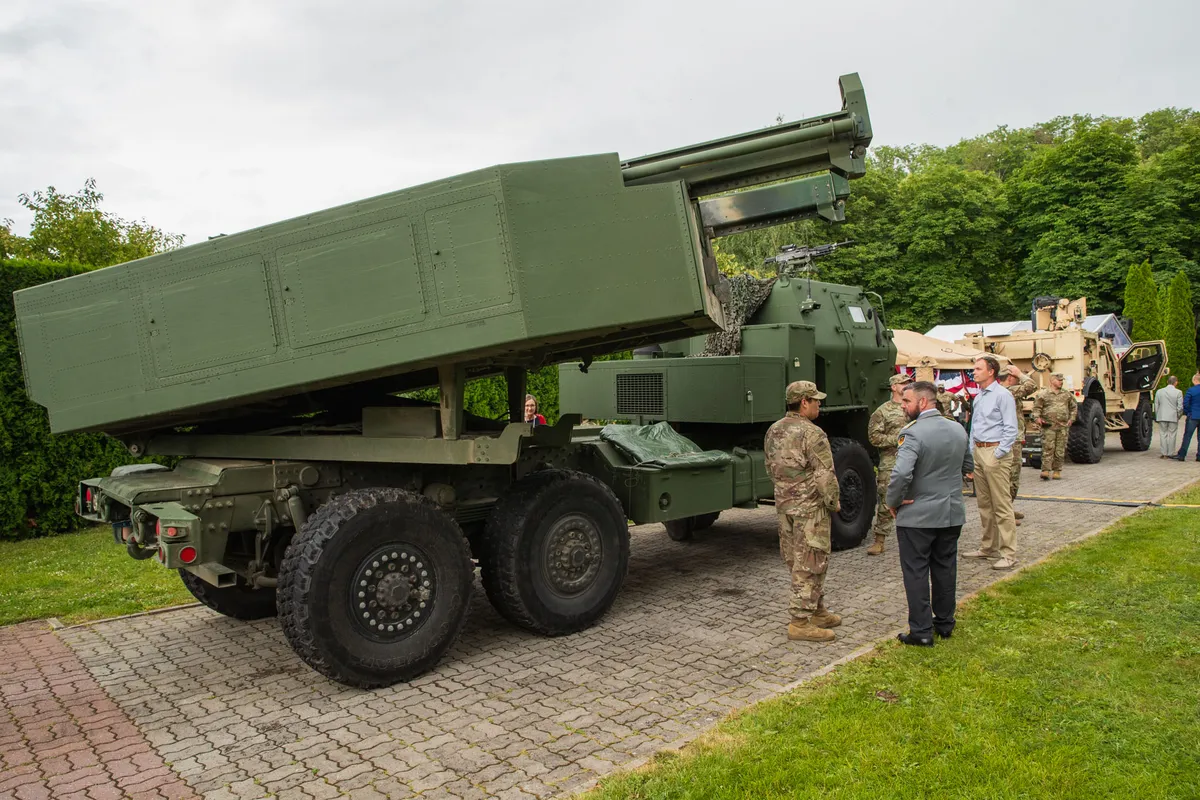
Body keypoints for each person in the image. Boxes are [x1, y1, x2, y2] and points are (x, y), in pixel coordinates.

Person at [887, 381, 974, 646]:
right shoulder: (956, 428)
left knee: (916, 572)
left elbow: (902, 473)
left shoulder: (912, 433)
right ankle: (945, 623)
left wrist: (893, 501)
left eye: (906, 401)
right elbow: (968, 465)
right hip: (951, 513)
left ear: (922, 402)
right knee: (945, 567)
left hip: (918, 515)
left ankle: (921, 631)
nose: (903, 406)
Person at [764, 381, 842, 643]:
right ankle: (799, 621)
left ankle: (817, 610)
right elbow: (824, 474)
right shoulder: (813, 433)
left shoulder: (773, 430)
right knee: (811, 562)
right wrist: (833, 502)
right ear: (804, 402)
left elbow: (770, 468)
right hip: (810, 509)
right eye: (815, 400)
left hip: (785, 506)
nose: (820, 404)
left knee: (798, 560)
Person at [963, 355, 1019, 570]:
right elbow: (975, 426)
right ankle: (988, 547)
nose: (974, 372)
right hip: (979, 451)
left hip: (994, 451)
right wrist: (972, 451)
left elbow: (1010, 427)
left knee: (1002, 505)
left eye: (978, 369)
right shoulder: (979, 397)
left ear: (991, 371)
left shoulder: (1002, 395)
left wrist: (998, 453)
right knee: (984, 504)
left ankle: (1008, 553)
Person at [866, 373, 913, 556]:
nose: (906, 385)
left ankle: (913, 536)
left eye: (908, 383)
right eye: (903, 383)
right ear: (893, 387)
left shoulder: (913, 407)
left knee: (914, 498)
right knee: (886, 500)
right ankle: (880, 540)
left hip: (913, 460)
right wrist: (899, 439)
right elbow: (874, 437)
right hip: (891, 461)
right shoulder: (882, 411)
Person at [1000, 365, 1038, 525]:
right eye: (1016, 378)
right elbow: (1031, 386)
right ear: (1010, 378)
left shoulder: (1006, 391)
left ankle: (1007, 508)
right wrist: (1020, 373)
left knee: (1011, 476)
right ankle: (1005, 513)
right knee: (1011, 476)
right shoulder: (1009, 391)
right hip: (1010, 440)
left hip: (1011, 438)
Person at [1031, 374, 1077, 480]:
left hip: (1062, 426)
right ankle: (1045, 470)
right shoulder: (1043, 394)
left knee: (1060, 449)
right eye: (1059, 380)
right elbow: (1036, 408)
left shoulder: (1067, 394)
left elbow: (1073, 407)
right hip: (1048, 426)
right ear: (1052, 381)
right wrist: (1037, 418)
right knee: (1048, 448)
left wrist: (1071, 419)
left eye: (1062, 380)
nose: (1061, 382)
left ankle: (1057, 470)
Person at [1155, 376, 1184, 459]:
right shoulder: (1178, 392)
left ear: (1167, 381)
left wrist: (1157, 415)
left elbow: (1157, 405)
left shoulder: (1159, 391)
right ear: (1176, 382)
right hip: (1173, 416)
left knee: (1163, 434)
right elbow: (1180, 407)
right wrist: (1178, 415)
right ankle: (1170, 453)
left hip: (1162, 415)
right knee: (1172, 434)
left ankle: (1164, 453)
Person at [1175, 373, 1200, 461]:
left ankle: (1182, 455)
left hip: (1192, 416)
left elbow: (1185, 403)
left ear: (1194, 380)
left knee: (1187, 436)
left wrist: (1188, 412)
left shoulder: (1191, 390)